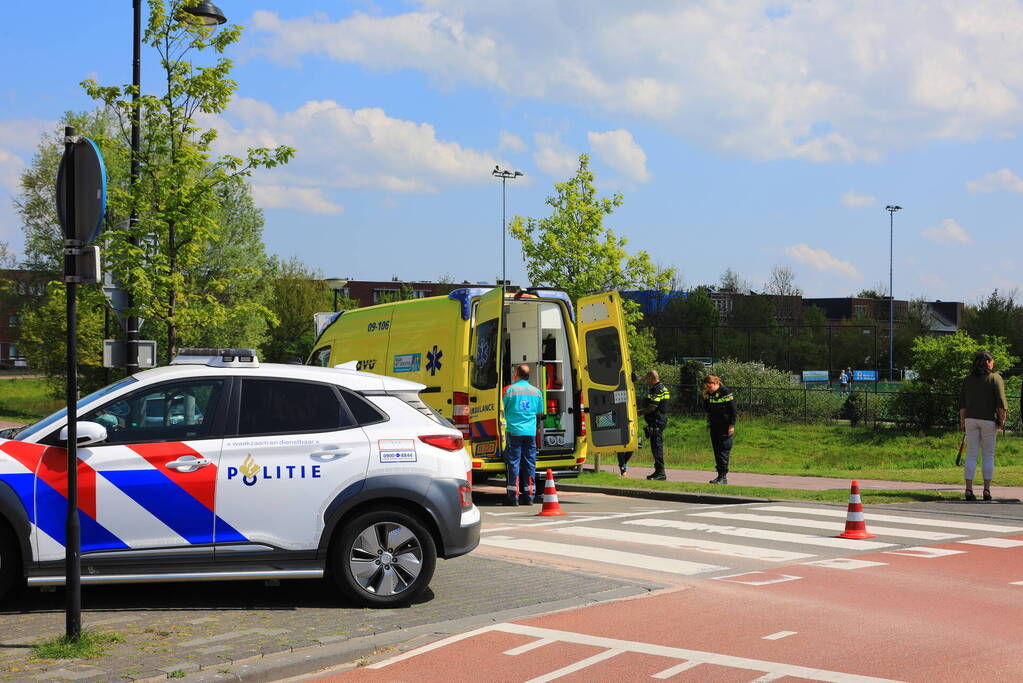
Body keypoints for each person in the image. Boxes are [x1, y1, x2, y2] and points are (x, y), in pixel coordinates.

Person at [959, 351, 1007, 501]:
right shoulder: (995, 378)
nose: (993, 363)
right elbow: (1001, 403)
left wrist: (962, 422)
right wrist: (1002, 420)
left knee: (971, 454)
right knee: (988, 455)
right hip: (988, 420)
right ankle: (986, 490)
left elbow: (962, 404)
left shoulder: (968, 379)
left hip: (970, 419)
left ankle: (968, 490)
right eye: (992, 361)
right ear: (987, 362)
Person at [502, 364, 544, 506]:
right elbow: (539, 413)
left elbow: (502, 408)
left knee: (514, 462)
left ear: (517, 375)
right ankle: (530, 496)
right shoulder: (537, 392)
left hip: (514, 431)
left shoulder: (510, 390)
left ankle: (513, 497)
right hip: (530, 432)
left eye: (514, 372)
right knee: (530, 463)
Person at [703, 375, 736, 484]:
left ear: (715, 384)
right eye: (706, 388)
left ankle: (723, 477)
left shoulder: (725, 392)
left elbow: (733, 410)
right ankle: (719, 475)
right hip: (714, 425)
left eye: (709, 387)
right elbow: (707, 410)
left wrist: (732, 425)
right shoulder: (710, 394)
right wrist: (706, 399)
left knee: (723, 451)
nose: (707, 389)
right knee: (717, 450)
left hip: (724, 426)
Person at [642, 370, 671, 480]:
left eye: (647, 379)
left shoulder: (657, 389)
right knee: (655, 446)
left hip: (657, 421)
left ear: (652, 378)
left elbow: (652, 407)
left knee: (657, 447)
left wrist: (640, 412)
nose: (646, 381)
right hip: (657, 420)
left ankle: (661, 473)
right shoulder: (662, 388)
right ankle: (658, 471)